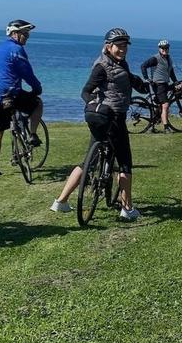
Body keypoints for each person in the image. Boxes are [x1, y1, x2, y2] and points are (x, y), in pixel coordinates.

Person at [50, 27, 149, 220]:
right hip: (113, 118)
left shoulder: (118, 63)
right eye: (119, 46)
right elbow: (85, 91)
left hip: (102, 119)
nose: (123, 49)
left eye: (125, 45)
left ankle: (60, 202)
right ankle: (127, 209)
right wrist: (93, 103)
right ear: (108, 46)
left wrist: (142, 85)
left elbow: (126, 79)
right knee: (125, 163)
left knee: (88, 161)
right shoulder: (102, 66)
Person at [0, 19, 44, 176]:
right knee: (37, 103)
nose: (27, 37)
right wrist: (37, 88)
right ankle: (32, 134)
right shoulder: (16, 49)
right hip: (10, 93)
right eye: (25, 34)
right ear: (15, 34)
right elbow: (27, 73)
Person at [140, 39, 180, 133]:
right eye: (162, 48)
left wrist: (176, 82)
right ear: (159, 48)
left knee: (161, 105)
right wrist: (146, 78)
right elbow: (143, 66)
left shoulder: (168, 59)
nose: (164, 49)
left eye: (166, 48)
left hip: (165, 83)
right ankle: (166, 128)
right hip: (158, 84)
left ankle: (153, 123)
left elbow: (171, 72)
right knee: (165, 105)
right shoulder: (155, 58)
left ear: (168, 48)